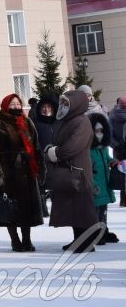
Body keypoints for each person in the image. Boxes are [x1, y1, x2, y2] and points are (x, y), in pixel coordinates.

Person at [43, 91, 100, 253]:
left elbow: (73, 146)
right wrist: (51, 150)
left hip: (78, 170)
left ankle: (87, 242)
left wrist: (55, 153)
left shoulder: (81, 121)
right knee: (73, 208)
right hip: (69, 170)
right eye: (63, 103)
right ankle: (78, 240)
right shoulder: (66, 121)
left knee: (83, 208)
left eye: (67, 104)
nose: (63, 107)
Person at [0, 94, 44, 252]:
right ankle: (15, 240)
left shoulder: (26, 121)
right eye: (13, 104)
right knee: (10, 208)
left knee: (26, 208)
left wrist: (39, 168)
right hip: (8, 172)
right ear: (6, 105)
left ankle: (27, 239)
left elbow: (36, 146)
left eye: (18, 104)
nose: (16, 106)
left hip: (27, 172)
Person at [88, 114, 119, 245]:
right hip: (95, 185)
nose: (99, 134)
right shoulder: (88, 150)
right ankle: (95, 233)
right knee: (95, 211)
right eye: (96, 131)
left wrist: (112, 162)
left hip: (105, 184)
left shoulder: (104, 148)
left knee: (103, 210)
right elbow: (87, 168)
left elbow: (107, 159)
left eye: (101, 131)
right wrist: (92, 184)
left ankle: (103, 230)